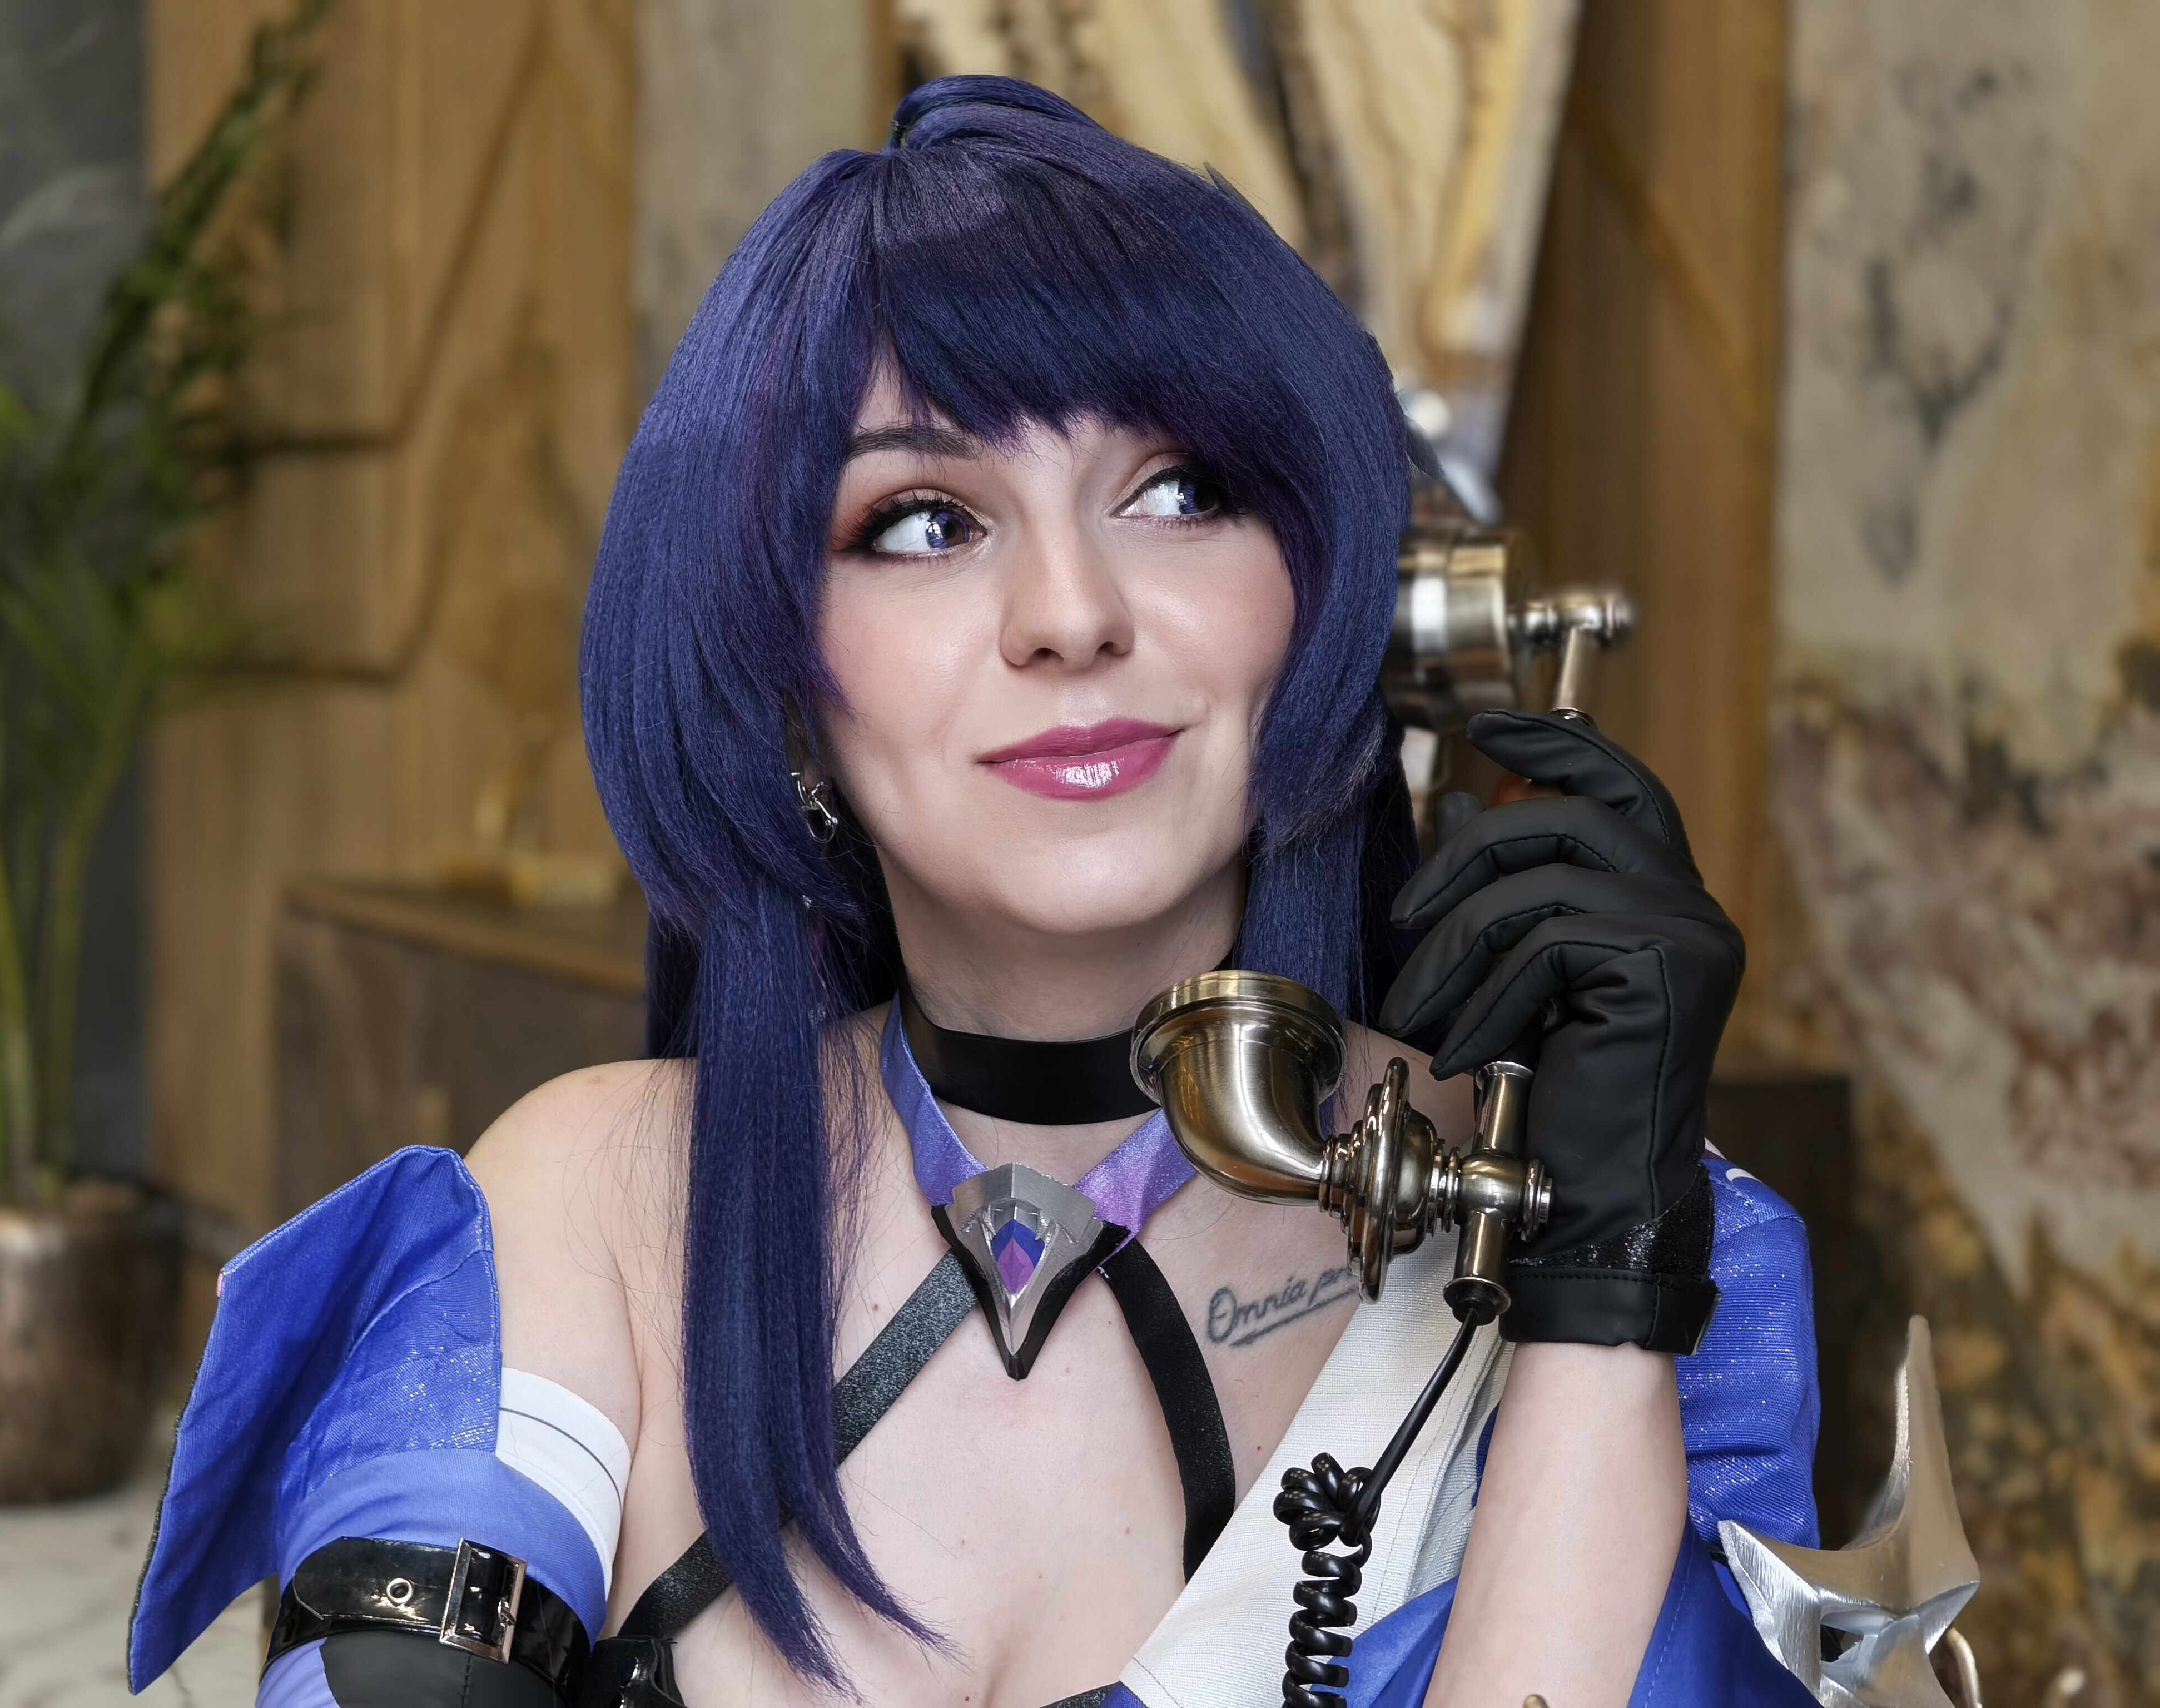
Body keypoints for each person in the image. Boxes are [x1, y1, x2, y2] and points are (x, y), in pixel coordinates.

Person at [130, 76, 1818, 1707]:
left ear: (1324, 603)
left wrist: (1601, 1278)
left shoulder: (1575, 1214)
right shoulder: (595, 1204)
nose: (1072, 614)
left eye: (1180, 491)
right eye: (927, 521)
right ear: (782, 685)